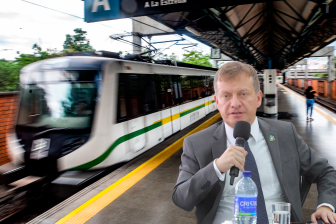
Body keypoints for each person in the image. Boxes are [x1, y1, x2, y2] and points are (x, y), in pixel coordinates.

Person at [172, 62, 336, 224]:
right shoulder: (196, 143)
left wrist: (326, 206)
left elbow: (325, 172)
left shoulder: (285, 134)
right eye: (226, 96)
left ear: (258, 98)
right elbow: (181, 199)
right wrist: (216, 168)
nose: (235, 103)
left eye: (243, 94)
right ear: (217, 102)